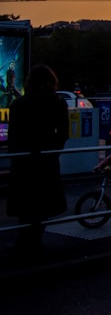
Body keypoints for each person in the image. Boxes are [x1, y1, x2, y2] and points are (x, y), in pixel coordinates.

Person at [5, 64, 69, 255]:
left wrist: (18, 154)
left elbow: (13, 136)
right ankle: (36, 241)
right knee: (43, 204)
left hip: (24, 161)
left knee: (25, 204)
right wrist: (53, 151)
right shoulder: (59, 103)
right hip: (47, 161)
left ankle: (24, 243)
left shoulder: (19, 104)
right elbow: (63, 134)